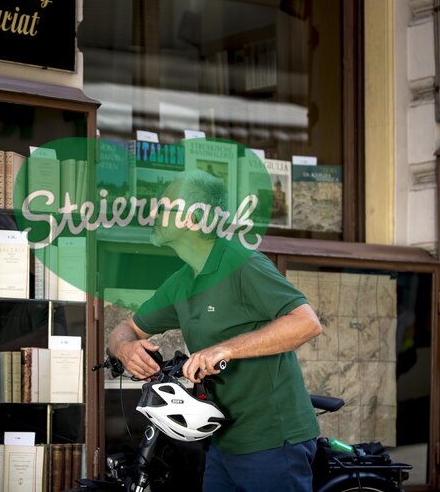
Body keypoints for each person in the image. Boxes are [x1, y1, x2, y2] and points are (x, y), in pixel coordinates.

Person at [108, 169, 323, 492]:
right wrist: (126, 349)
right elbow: (126, 329)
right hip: (224, 442)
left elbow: (306, 322)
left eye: (165, 207)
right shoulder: (181, 281)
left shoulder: (242, 263)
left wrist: (226, 349)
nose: (154, 213)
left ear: (194, 217)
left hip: (273, 440)